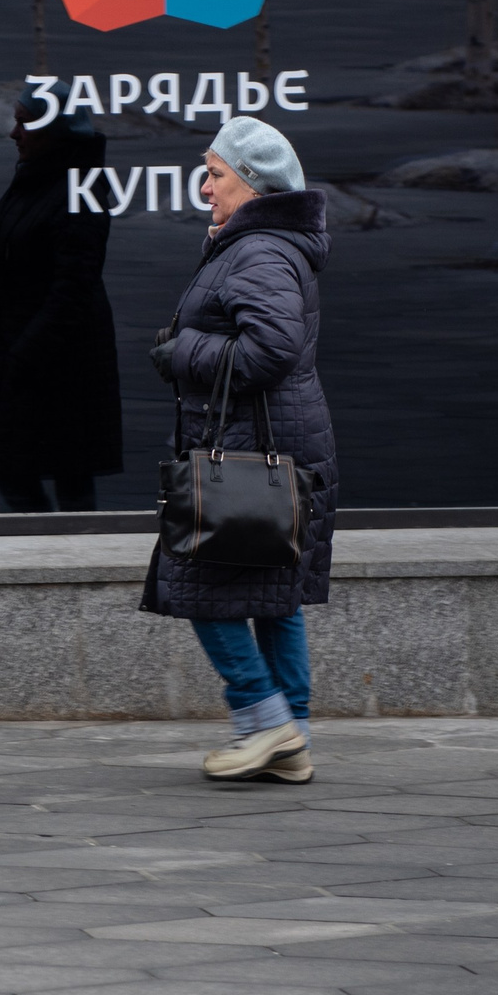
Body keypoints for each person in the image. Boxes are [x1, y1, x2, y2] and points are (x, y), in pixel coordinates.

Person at [145, 116, 339, 784]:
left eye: (216, 174)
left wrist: (183, 351)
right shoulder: (258, 244)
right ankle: (292, 738)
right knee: (272, 593)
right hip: (273, 442)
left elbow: (271, 348)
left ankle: (264, 721)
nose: (205, 187)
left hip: (251, 447)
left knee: (199, 583)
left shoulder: (258, 250)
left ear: (252, 185)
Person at [0, 84, 122, 511]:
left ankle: (72, 548)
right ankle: (64, 543)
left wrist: (24, 354)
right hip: (20, 345)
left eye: (25, 123)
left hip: (58, 360)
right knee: (26, 468)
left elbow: (74, 286)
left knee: (62, 473)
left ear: (55, 131)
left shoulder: (77, 188)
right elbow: (14, 235)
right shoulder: (35, 175)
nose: (14, 133)